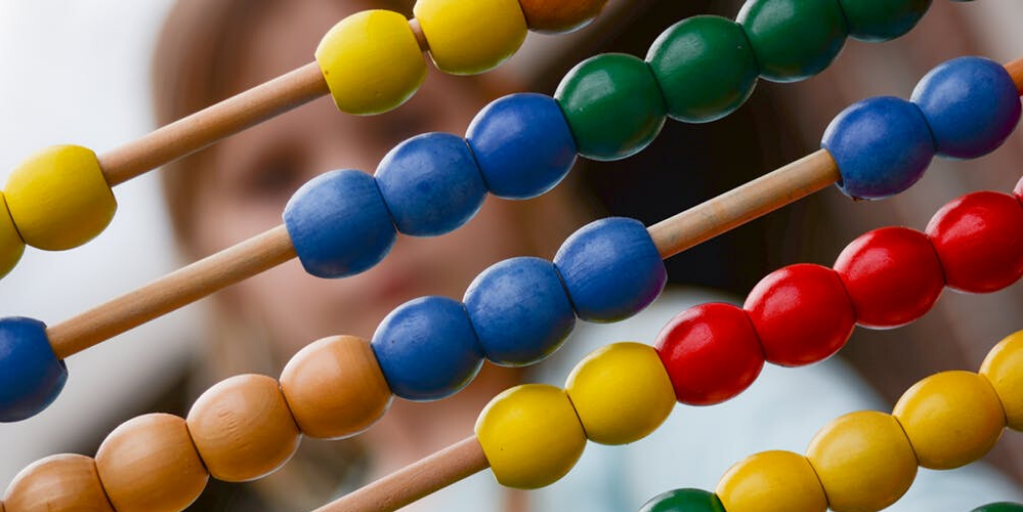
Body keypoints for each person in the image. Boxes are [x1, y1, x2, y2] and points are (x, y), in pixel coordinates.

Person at [152, 0, 1023, 510]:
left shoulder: (666, 369)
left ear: (514, 147)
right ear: (212, 270)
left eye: (403, 132)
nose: (356, 200)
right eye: (272, 176)